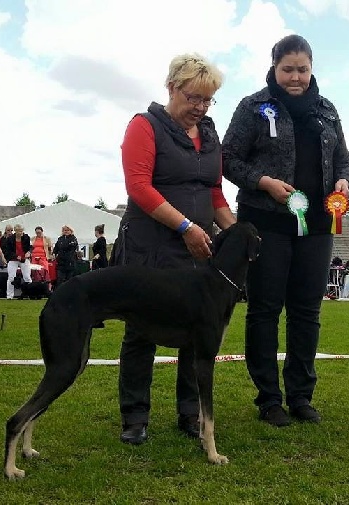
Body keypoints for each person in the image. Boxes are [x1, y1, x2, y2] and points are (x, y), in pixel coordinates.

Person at [223, 34, 349, 426]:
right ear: (274, 67)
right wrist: (263, 181)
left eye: (302, 69)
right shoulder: (253, 107)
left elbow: (344, 159)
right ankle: (268, 399)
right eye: (288, 69)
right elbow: (227, 159)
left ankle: (300, 395)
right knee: (264, 310)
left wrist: (344, 182)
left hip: (317, 227)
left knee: (307, 312)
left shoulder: (327, 110)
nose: (295, 77)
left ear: (312, 68)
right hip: (265, 225)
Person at [115, 52, 235, 445]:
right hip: (151, 245)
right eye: (193, 98)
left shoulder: (210, 134)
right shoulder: (144, 126)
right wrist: (185, 225)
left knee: (197, 331)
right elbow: (139, 187)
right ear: (171, 88)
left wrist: (234, 231)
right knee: (141, 330)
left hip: (196, 247)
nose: (199, 108)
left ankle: (190, 413)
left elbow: (215, 193)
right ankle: (135, 416)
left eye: (207, 100)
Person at [3, 224, 33, 300]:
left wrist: (29, 252)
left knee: (27, 277)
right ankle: (9, 296)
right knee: (11, 277)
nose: (21, 232)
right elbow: (8, 251)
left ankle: (30, 294)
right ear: (15, 231)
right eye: (19, 231)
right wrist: (16, 256)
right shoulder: (10, 239)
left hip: (24, 259)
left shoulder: (26, 237)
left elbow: (30, 247)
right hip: (13, 259)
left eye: (22, 231)